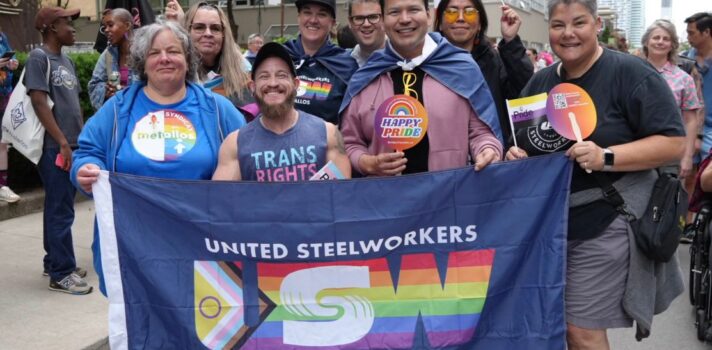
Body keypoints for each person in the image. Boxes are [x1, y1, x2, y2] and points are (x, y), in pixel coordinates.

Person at [505, 1, 685, 348]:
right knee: (554, 322)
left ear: (596, 24)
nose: (568, 33)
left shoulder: (631, 73)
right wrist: (515, 154)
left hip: (609, 217)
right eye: (558, 25)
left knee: (581, 329)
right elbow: (522, 143)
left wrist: (607, 156)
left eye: (578, 23)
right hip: (550, 224)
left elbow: (674, 142)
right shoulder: (540, 81)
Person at [70, 20, 246, 295]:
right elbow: (88, 152)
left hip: (200, 246)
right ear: (143, 62)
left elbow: (248, 154)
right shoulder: (117, 110)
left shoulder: (217, 109)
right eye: (155, 53)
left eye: (173, 51)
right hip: (135, 248)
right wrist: (85, 169)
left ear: (188, 60)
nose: (164, 58)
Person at [339, 0, 502, 177]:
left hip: (448, 195)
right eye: (394, 12)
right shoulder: (366, 76)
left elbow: (481, 132)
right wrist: (365, 163)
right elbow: (349, 142)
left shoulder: (462, 68)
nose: (404, 19)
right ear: (383, 20)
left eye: (413, 9)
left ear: (429, 14)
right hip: (385, 199)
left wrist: (487, 150)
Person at [213, 43, 350, 182]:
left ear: (296, 84)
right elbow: (221, 200)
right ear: (252, 87)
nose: (273, 83)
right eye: (264, 76)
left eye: (281, 75)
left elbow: (342, 197)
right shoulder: (235, 145)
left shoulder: (329, 135)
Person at [28, 7, 91, 295]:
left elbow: (72, 104)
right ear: (52, 27)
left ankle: (53, 260)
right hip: (55, 145)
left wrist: (81, 138)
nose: (73, 28)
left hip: (71, 142)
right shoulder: (39, 58)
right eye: (68, 23)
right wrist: (63, 142)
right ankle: (61, 273)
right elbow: (40, 102)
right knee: (61, 210)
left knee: (58, 205)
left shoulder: (65, 60)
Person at [434, 0, 532, 148]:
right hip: (445, 161)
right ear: (440, 23)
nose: (460, 18)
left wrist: (511, 41)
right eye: (452, 12)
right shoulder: (425, 63)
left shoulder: (494, 61)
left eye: (469, 12)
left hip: (493, 157)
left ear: (480, 24)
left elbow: (525, 94)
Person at [165, 0, 255, 118]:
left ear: (224, 34)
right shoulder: (174, 73)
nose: (208, 33)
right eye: (199, 27)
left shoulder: (243, 73)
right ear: (187, 31)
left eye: (215, 28)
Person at [642, 20, 702, 180]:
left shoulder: (684, 79)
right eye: (656, 38)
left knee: (668, 201)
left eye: (666, 39)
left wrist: (687, 157)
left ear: (672, 45)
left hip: (671, 153)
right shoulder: (629, 73)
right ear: (646, 41)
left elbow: (691, 120)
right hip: (635, 149)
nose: (660, 42)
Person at [283, 0, 358, 124]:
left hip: (329, 141)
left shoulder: (347, 64)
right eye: (307, 13)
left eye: (322, 14)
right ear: (299, 18)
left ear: (332, 23)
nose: (313, 20)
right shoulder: (279, 56)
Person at [88, 8, 138, 110]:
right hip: (117, 116)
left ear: (127, 26)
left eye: (110, 25)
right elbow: (94, 84)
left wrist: (125, 91)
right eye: (104, 27)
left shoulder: (143, 52)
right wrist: (106, 91)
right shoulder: (108, 55)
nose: (106, 30)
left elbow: (155, 84)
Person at [685, 13, 712, 163]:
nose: (688, 37)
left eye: (691, 33)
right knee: (687, 176)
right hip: (690, 128)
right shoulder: (685, 60)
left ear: (706, 32)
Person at [0, 26, 20, 203]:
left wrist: (12, 62)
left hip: (4, 94)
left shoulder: (2, 35)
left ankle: (2, 185)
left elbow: (10, 56)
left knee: (3, 142)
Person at [347, 0, 386, 67]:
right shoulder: (342, 64)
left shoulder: (404, 59)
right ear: (350, 23)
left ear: (384, 19)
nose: (366, 24)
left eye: (373, 17)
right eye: (359, 18)